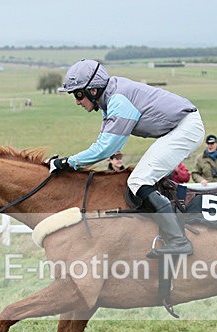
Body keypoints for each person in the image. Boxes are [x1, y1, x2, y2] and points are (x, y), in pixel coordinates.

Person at [48, 59, 204, 256]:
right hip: (180, 126)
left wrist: (68, 162)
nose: (77, 101)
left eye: (78, 94)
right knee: (142, 178)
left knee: (139, 180)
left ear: (93, 90)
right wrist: (70, 162)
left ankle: (178, 241)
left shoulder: (118, 101)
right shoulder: (111, 96)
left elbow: (105, 149)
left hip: (185, 128)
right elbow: (103, 143)